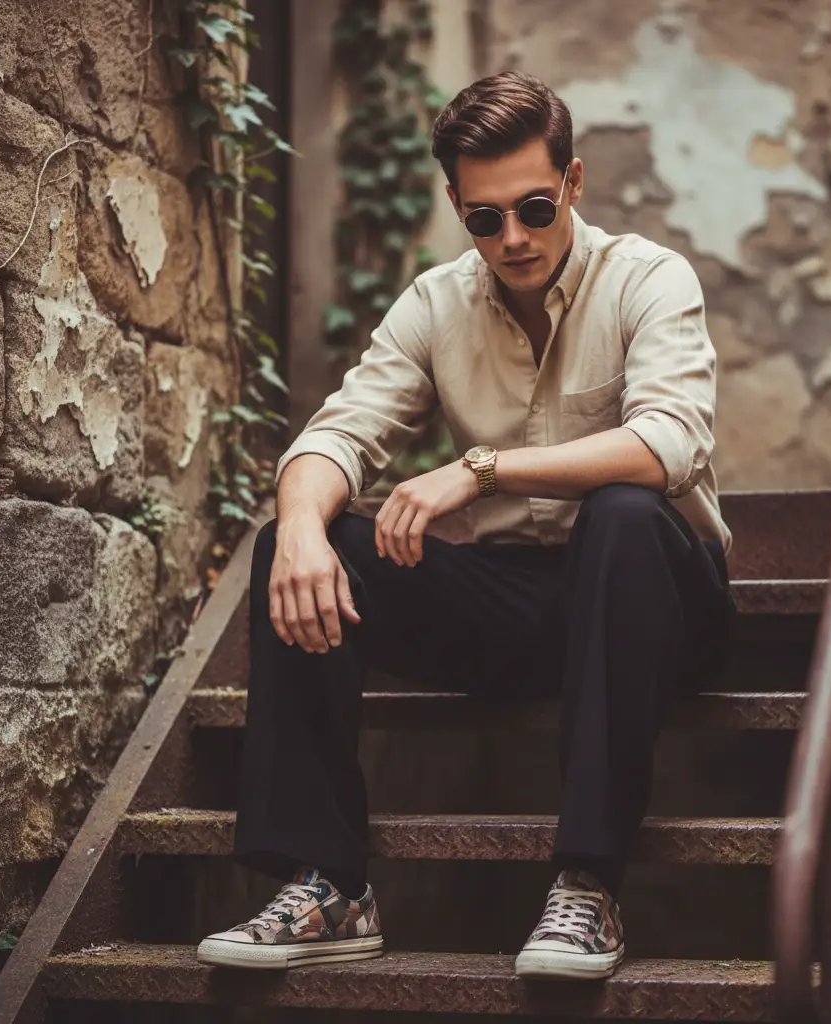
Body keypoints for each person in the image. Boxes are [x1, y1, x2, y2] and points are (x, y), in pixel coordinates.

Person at [197, 70, 736, 980]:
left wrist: (480, 469)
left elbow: (667, 442)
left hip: (661, 604)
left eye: (533, 206)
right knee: (308, 539)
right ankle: (329, 883)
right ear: (456, 204)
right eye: (485, 218)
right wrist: (296, 531)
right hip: (525, 608)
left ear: (573, 182)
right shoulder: (436, 303)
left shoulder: (648, 277)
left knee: (623, 510)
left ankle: (589, 885)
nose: (513, 238)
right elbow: (340, 432)